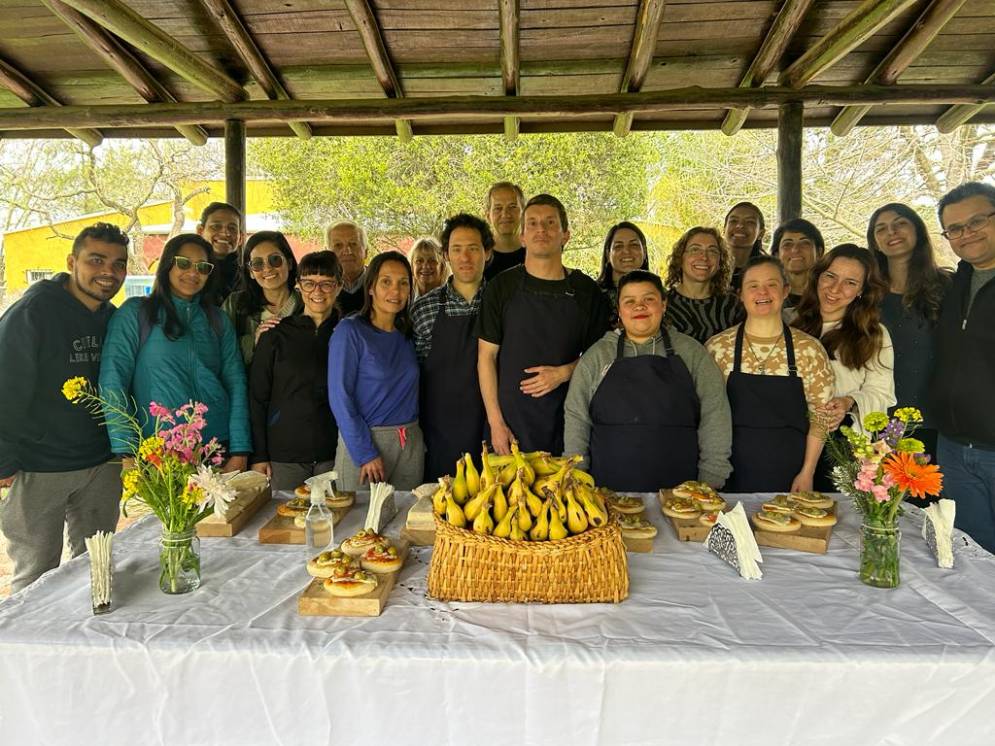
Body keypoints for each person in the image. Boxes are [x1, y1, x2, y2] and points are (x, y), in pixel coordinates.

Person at [0, 223, 128, 593]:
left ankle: (89, 646)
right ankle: (25, 650)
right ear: (72, 261)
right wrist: (5, 460)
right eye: (96, 260)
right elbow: (6, 384)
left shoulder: (112, 317)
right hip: (42, 466)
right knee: (36, 576)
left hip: (102, 465)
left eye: (118, 264)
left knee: (97, 569)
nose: (108, 272)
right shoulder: (33, 311)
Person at [564, 270, 732, 492]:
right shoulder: (597, 355)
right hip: (606, 492)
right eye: (630, 301)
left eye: (649, 299)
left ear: (663, 305)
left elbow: (715, 413)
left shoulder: (692, 352)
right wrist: (576, 475)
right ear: (619, 311)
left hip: (681, 492)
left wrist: (711, 477)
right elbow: (577, 417)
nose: (639, 307)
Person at [99, 234, 250, 471]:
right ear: (168, 264)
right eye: (183, 263)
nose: (193, 272)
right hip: (160, 450)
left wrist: (240, 449)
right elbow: (113, 381)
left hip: (216, 446)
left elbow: (236, 382)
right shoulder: (137, 313)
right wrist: (126, 450)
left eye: (202, 267)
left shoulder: (217, 319)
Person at [477, 194, 611, 456]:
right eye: (533, 223)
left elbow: (601, 357)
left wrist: (564, 373)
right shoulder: (500, 288)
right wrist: (496, 423)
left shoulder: (586, 291)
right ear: (522, 236)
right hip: (510, 427)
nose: (542, 229)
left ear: (565, 235)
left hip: (570, 424)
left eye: (550, 223)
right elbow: (486, 357)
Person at [706, 256, 834, 493]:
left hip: (792, 476)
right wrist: (710, 475)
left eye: (771, 284)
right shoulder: (717, 348)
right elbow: (706, 416)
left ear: (785, 291)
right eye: (753, 285)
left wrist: (807, 472)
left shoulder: (809, 349)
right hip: (728, 475)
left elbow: (821, 417)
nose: (762, 292)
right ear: (740, 294)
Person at [792, 244, 896, 490]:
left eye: (850, 282)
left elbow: (882, 393)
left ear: (862, 291)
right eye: (830, 276)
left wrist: (848, 402)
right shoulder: (788, 320)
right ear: (817, 276)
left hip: (838, 444)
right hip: (787, 437)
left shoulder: (873, 335)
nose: (835, 289)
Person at [932, 182, 995, 552]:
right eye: (954, 229)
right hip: (954, 448)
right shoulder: (954, 285)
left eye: (976, 221)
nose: (966, 234)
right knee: (971, 555)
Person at [327, 251, 423, 490]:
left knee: (404, 524)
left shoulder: (407, 335)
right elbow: (340, 398)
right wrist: (365, 452)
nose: (396, 291)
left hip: (409, 442)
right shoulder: (350, 332)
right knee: (357, 524)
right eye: (386, 282)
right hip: (366, 444)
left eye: (403, 283)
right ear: (371, 287)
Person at [249, 251, 343, 492]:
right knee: (285, 522)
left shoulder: (349, 333)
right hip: (284, 454)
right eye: (309, 283)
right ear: (299, 286)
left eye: (326, 284)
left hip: (336, 451)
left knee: (337, 523)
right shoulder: (275, 336)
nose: (317, 292)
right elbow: (257, 398)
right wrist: (259, 455)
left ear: (339, 287)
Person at [867, 203, 951, 462]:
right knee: (882, 499)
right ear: (875, 241)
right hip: (880, 418)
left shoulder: (948, 286)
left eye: (900, 223)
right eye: (881, 228)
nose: (891, 232)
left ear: (917, 230)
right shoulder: (867, 293)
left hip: (936, 419)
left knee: (930, 498)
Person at [412, 214, 494, 480]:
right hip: (440, 433)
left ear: (488, 252)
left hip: (494, 430)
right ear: (446, 255)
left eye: (473, 249)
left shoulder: (504, 303)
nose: (465, 257)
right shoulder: (424, 309)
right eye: (457, 250)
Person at [222, 230, 302, 365]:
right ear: (251, 273)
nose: (267, 268)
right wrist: (254, 342)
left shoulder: (309, 304)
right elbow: (219, 352)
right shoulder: (235, 304)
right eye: (258, 264)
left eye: (275, 260)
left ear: (289, 263)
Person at [663, 226, 743, 344]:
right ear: (681, 257)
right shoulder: (662, 305)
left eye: (712, 251)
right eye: (695, 249)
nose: (704, 257)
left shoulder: (733, 306)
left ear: (720, 261)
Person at [595, 221, 650, 327]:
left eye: (634, 245)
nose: (626, 251)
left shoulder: (659, 295)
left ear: (644, 252)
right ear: (608, 254)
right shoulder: (592, 296)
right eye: (618, 246)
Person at [770, 217, 825, 308]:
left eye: (804, 243)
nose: (795, 250)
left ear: (819, 253)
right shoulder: (768, 297)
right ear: (776, 255)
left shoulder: (831, 295)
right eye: (787, 244)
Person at [195, 201, 243, 302]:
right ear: (200, 231)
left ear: (241, 238)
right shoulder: (188, 272)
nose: (225, 233)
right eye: (216, 226)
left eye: (232, 228)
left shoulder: (251, 278)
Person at [483, 181, 526, 280]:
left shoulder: (536, 253)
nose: (505, 214)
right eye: (498, 208)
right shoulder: (479, 257)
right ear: (488, 216)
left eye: (512, 207)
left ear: (524, 213)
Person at [326, 220, 368, 315]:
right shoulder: (318, 290)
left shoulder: (380, 284)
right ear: (327, 254)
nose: (347, 251)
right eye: (338, 245)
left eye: (353, 244)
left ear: (366, 252)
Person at [724, 201, 767, 291]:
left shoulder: (767, 270)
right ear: (724, 229)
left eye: (749, 222)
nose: (740, 225)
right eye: (734, 221)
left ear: (761, 233)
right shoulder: (709, 266)